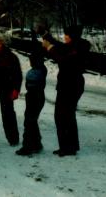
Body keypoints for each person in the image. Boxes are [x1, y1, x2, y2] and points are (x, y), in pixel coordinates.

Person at [42, 25, 90, 157]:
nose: (65, 37)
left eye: (67, 35)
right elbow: (61, 46)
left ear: (73, 36)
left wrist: (50, 48)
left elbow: (63, 60)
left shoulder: (78, 49)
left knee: (62, 116)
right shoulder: (75, 46)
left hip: (71, 85)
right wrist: (48, 36)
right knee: (67, 116)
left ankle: (67, 148)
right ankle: (70, 146)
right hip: (68, 84)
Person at [15, 40, 47, 155]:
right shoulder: (39, 68)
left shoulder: (38, 70)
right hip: (35, 96)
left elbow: (31, 83)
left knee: (29, 121)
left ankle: (28, 146)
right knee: (31, 121)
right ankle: (36, 143)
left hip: (35, 97)